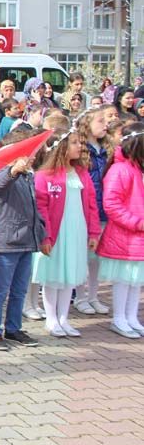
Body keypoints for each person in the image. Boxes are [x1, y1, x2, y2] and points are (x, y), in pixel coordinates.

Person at [32, 131, 101, 338]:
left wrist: (93, 232)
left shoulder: (81, 173)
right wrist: (46, 236)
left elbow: (91, 204)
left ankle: (64, 318)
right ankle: (51, 318)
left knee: (69, 273)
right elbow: (41, 207)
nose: (80, 147)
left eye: (80, 143)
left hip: (76, 229)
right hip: (56, 231)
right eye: (74, 143)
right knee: (54, 274)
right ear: (61, 147)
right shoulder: (45, 175)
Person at [0, 130, 45, 351]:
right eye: (28, 150)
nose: (32, 155)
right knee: (1, 290)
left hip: (27, 241)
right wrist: (13, 170)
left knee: (19, 289)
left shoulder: (28, 175)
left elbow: (33, 208)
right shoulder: (0, 172)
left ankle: (13, 328)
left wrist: (41, 233)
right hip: (7, 242)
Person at [97, 123, 144, 337]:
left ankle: (132, 316)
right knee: (124, 280)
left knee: (136, 280)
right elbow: (112, 204)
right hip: (126, 235)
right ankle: (119, 318)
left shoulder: (136, 168)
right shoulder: (120, 169)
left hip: (137, 236)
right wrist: (137, 223)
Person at [77, 107, 113, 316]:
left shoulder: (107, 149)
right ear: (87, 124)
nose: (105, 124)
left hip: (103, 210)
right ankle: (80, 297)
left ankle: (93, 296)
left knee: (96, 259)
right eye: (100, 121)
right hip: (84, 210)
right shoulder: (82, 151)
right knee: (83, 256)